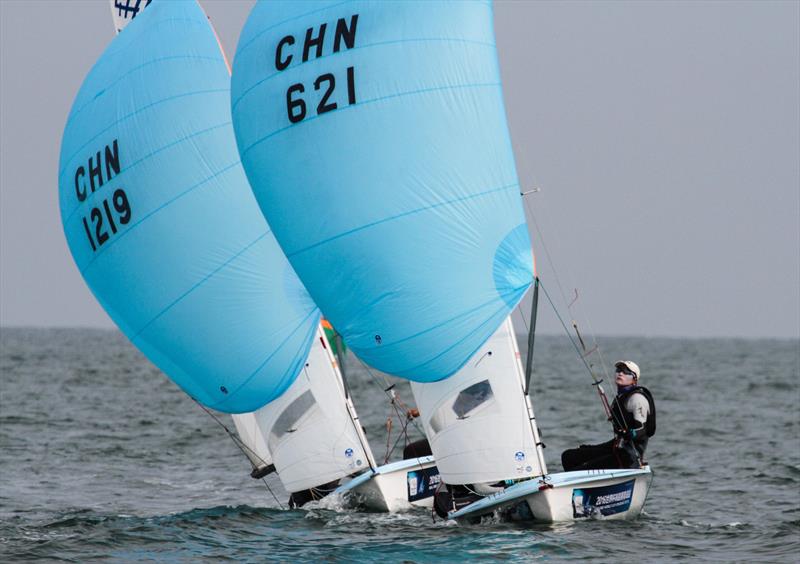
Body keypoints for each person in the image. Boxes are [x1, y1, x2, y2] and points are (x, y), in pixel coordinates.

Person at [561, 360, 656, 471]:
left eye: (626, 372)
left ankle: (580, 485)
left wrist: (629, 433)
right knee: (569, 456)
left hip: (629, 457)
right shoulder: (620, 397)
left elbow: (642, 430)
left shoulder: (637, 399)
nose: (620, 373)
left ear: (634, 378)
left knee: (579, 469)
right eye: (618, 370)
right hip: (616, 447)